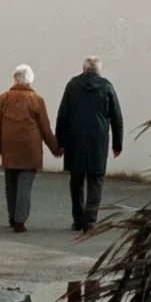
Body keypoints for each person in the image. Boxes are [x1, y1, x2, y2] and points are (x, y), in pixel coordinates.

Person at [55, 55, 125, 233]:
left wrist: (60, 142)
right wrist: (117, 144)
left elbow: (62, 115)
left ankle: (78, 220)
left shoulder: (72, 85)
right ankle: (90, 221)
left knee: (76, 180)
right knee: (96, 180)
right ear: (99, 71)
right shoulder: (107, 87)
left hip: (75, 139)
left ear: (83, 69)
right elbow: (116, 118)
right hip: (98, 140)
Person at [0, 63, 57, 231]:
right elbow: (45, 127)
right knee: (24, 186)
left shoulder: (4, 98)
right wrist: (56, 148)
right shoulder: (37, 100)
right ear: (30, 81)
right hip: (30, 150)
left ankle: (12, 216)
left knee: (10, 184)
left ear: (15, 79)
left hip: (9, 147)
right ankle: (20, 220)